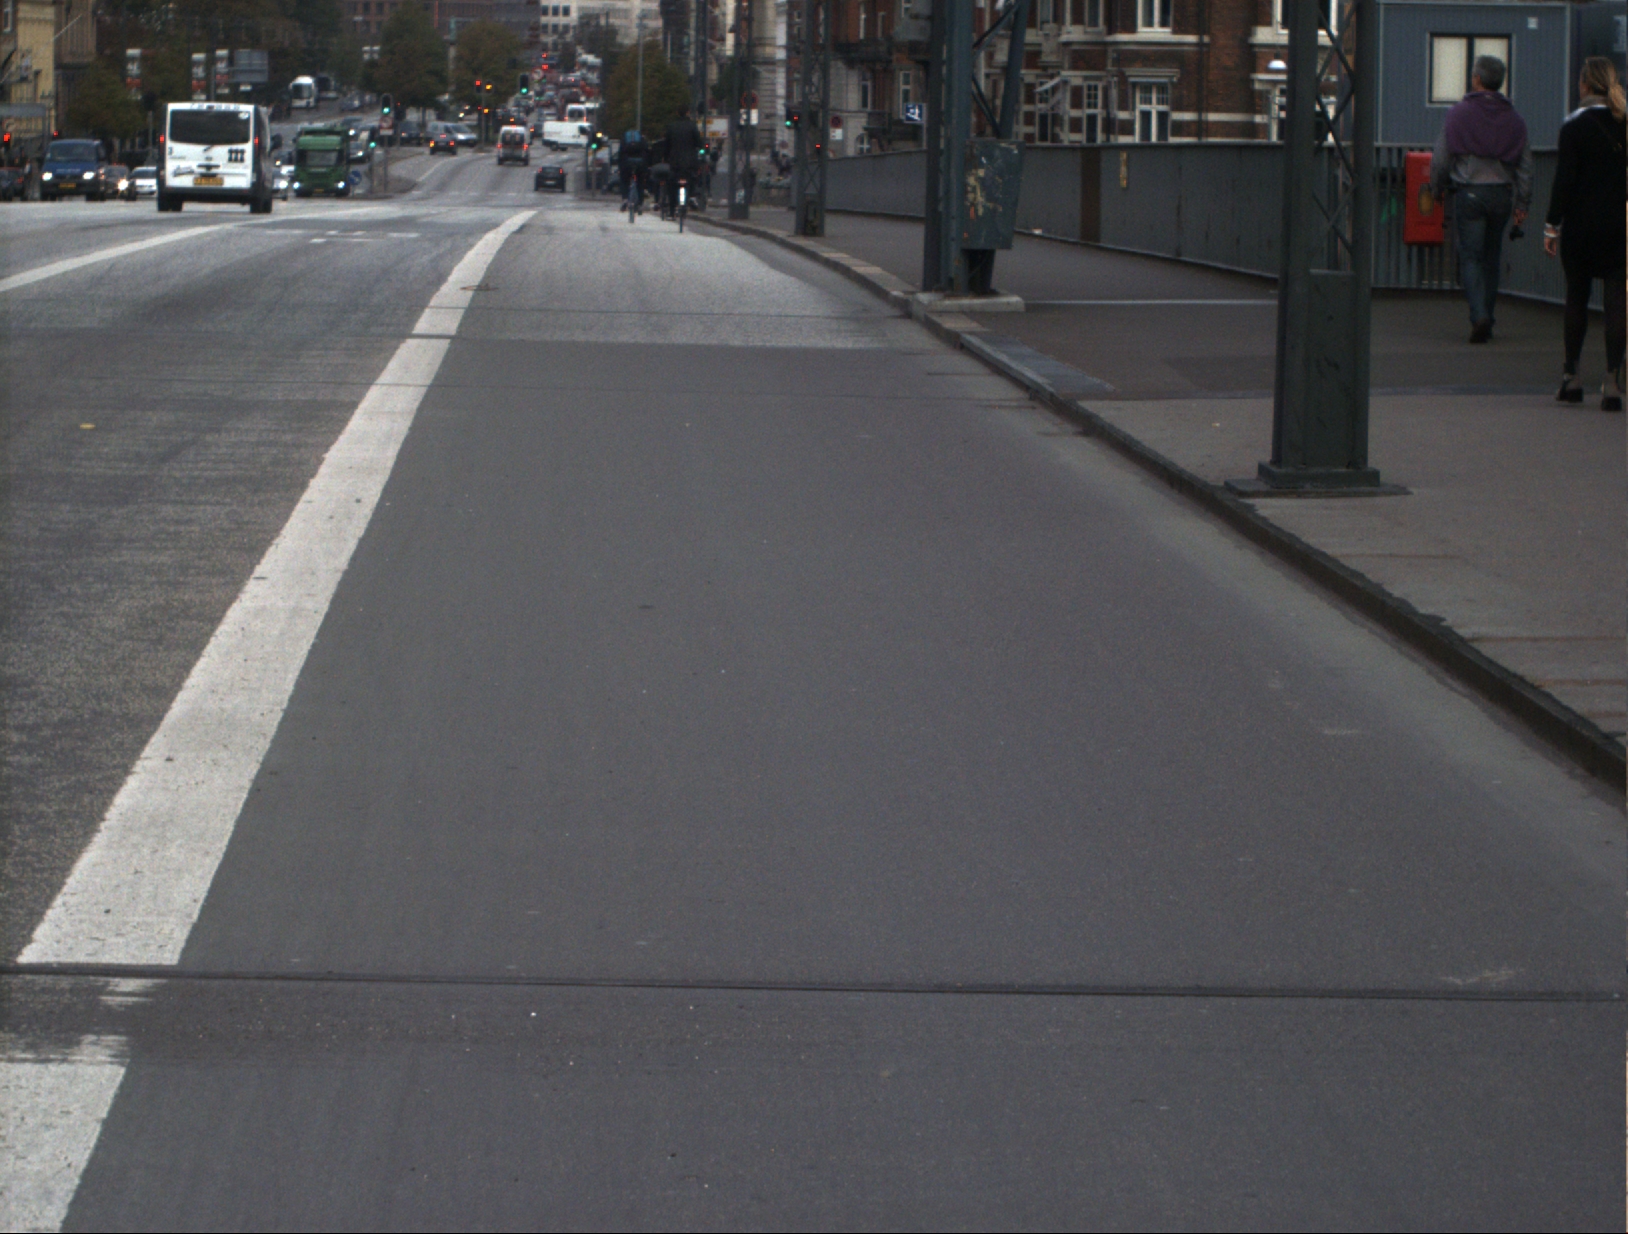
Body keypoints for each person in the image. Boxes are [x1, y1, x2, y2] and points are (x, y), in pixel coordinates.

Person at [1430, 55, 1533, 343]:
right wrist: (1522, 203)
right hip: (1502, 194)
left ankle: (1479, 316)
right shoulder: (1515, 119)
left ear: (1476, 78)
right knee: (1491, 257)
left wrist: (1436, 188)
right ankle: (1488, 312)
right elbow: (1526, 167)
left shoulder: (1458, 114)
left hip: (1470, 192)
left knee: (1471, 257)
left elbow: (1440, 159)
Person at [1544, 57, 1627, 410]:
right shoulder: (1625, 124)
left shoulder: (1573, 127)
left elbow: (1564, 180)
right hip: (1619, 224)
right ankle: (1612, 382)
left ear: (1585, 85)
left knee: (1576, 297)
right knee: (1617, 301)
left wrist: (1552, 225)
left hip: (1581, 225)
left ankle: (1572, 377)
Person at [663, 104, 702, 210]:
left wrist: (665, 157)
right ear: (688, 112)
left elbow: (667, 144)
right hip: (690, 160)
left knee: (672, 183)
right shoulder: (692, 126)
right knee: (693, 177)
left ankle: (672, 208)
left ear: (677, 113)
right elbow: (699, 143)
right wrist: (701, 150)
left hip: (675, 160)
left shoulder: (671, 126)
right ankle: (692, 195)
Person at [617, 128, 647, 213]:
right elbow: (646, 152)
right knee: (640, 183)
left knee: (624, 181)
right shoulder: (642, 139)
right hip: (640, 164)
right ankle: (640, 203)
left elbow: (620, 153)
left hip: (627, 163)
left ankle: (625, 199)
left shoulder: (624, 140)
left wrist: (620, 167)